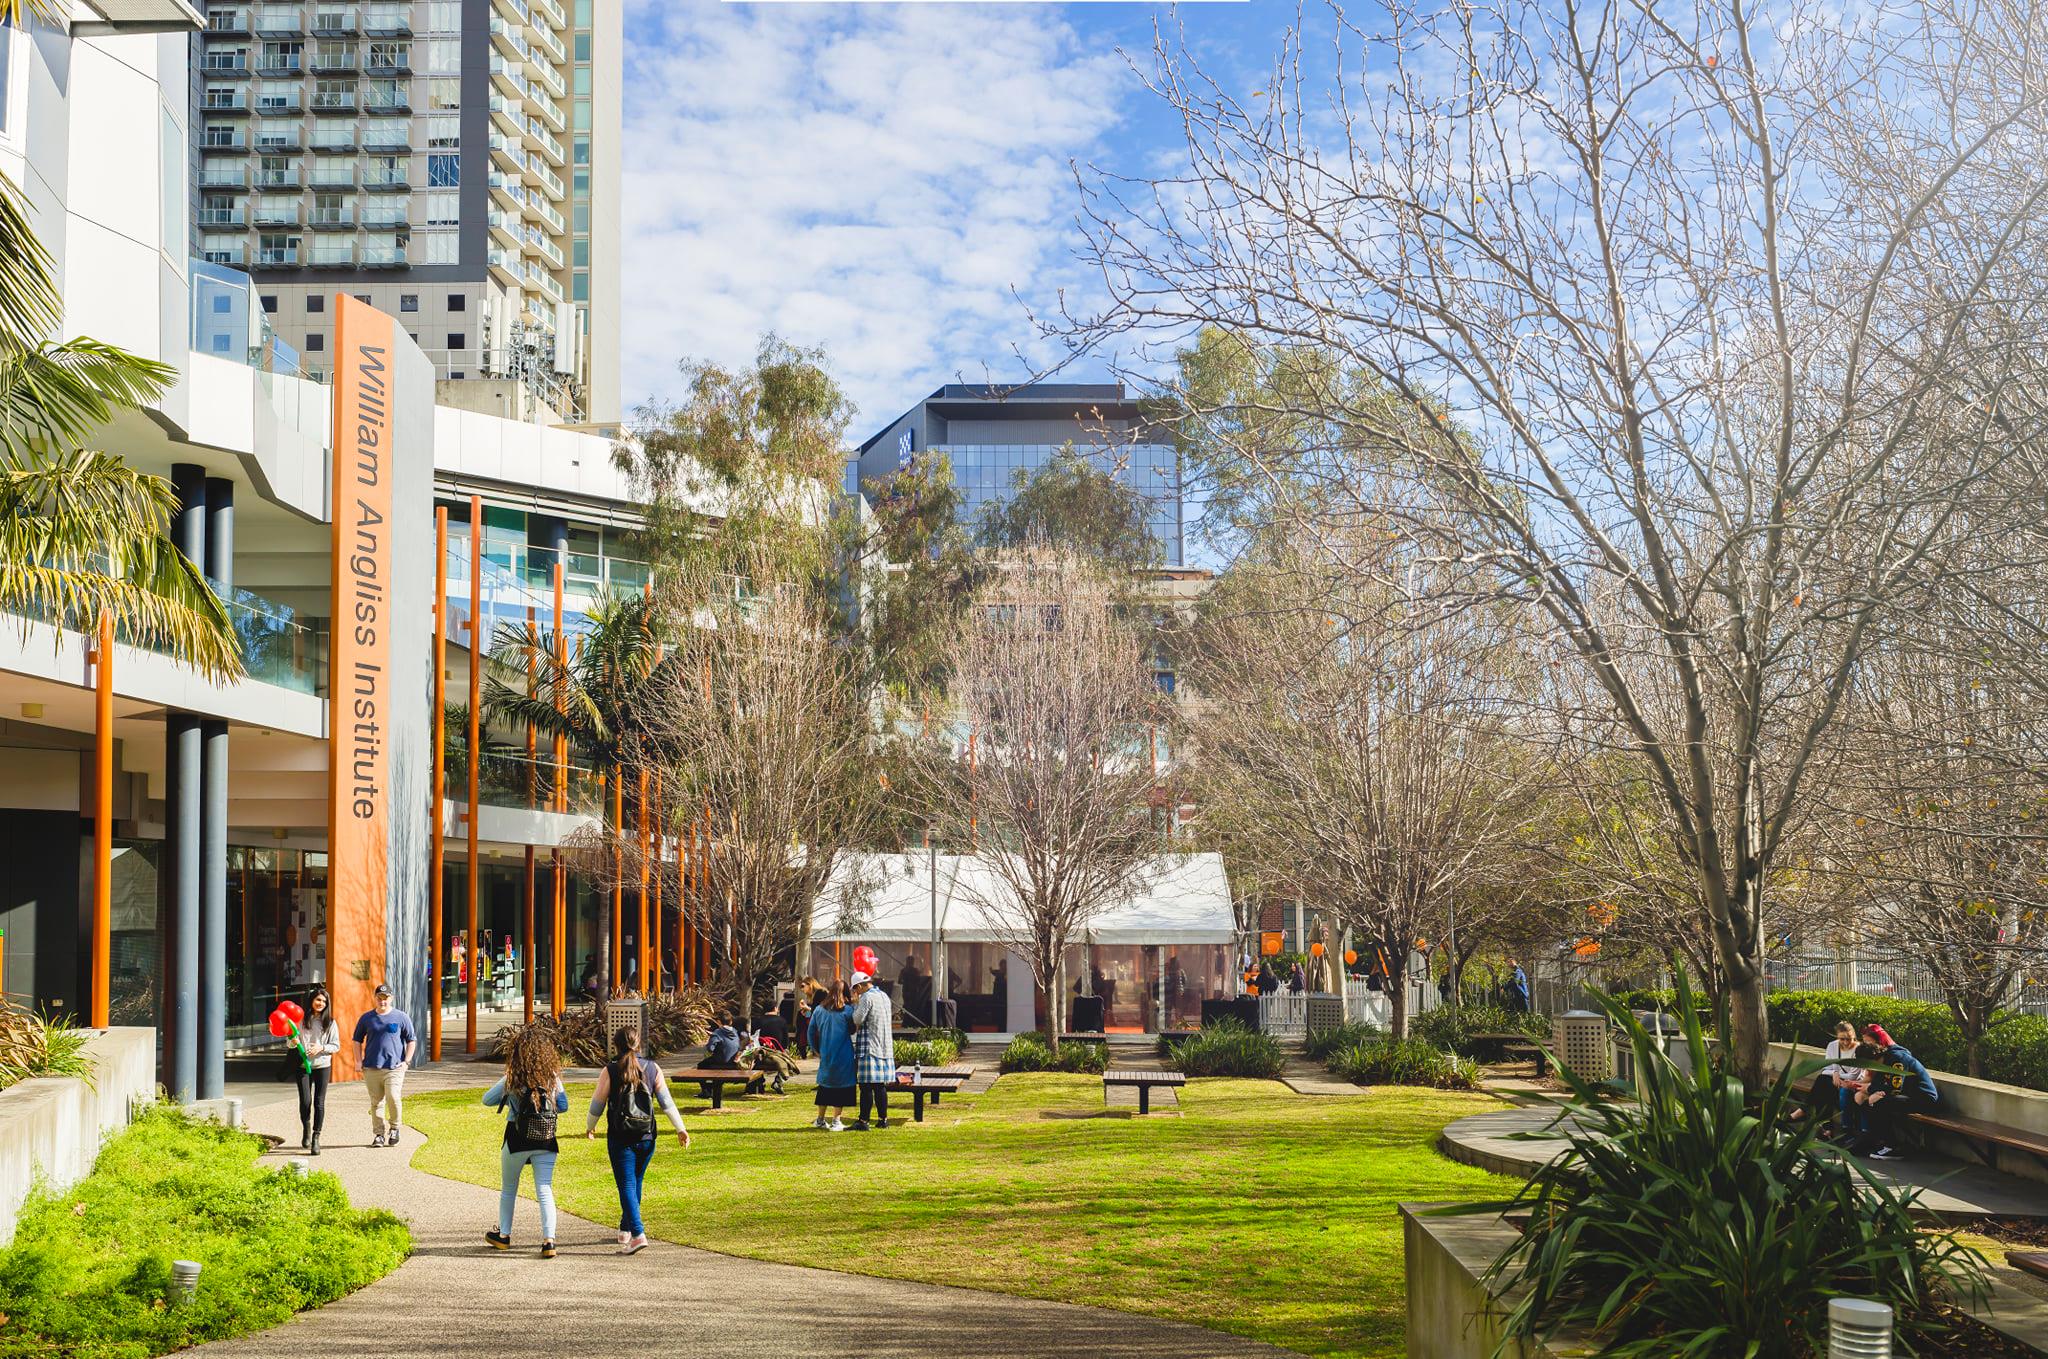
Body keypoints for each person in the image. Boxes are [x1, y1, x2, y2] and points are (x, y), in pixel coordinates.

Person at [585, 1025, 689, 1254]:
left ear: (616, 1044)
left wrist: (590, 1127)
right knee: (636, 1181)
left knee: (626, 1185)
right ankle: (626, 1229)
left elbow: (597, 1104)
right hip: (647, 1135)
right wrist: (680, 1128)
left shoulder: (611, 1070)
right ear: (638, 1043)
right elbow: (666, 1102)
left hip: (620, 1136)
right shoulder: (653, 1068)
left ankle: (638, 1233)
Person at [483, 1027, 569, 1258]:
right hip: (546, 1137)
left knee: (509, 1188)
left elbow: (486, 1100)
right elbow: (564, 1106)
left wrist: (511, 1098)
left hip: (517, 1137)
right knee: (544, 1188)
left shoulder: (512, 1078)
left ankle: (504, 1236)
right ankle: (548, 1240)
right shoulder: (552, 1078)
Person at [1858, 1026, 1939, 1159]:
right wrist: (1874, 1092)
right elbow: (1878, 1084)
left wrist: (1875, 1093)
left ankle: (1893, 1147)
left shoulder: (1897, 1059)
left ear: (1873, 1059)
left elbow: (1895, 1087)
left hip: (1923, 1099)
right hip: (1906, 1096)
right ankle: (1881, 1141)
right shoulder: (1882, 1062)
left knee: (1879, 1104)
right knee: (1869, 1104)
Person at [352, 983, 417, 1148]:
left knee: (393, 1097)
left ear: (391, 998)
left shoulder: (401, 1017)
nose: (382, 1001)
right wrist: (358, 1061)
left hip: (394, 1067)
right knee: (376, 1102)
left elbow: (412, 1040)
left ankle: (395, 1128)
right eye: (379, 998)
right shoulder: (367, 1018)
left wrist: (406, 1061)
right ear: (375, 998)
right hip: (372, 1067)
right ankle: (379, 1134)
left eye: (386, 998)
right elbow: (356, 1040)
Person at [294, 984, 342, 1155]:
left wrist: (321, 1048)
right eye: (318, 999)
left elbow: (336, 1045)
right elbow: (291, 1039)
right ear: (312, 1001)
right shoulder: (300, 1020)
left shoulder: (330, 1022)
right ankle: (306, 1128)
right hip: (302, 1066)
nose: (320, 1003)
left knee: (319, 1102)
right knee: (305, 1101)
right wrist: (291, 1043)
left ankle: (316, 1137)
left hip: (322, 1066)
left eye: (323, 1001)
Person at [848, 970, 896, 1131]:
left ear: (860, 985)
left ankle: (863, 1121)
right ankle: (883, 1120)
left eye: (855, 989)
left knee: (866, 1086)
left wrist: (855, 1003)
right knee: (880, 1086)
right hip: (884, 1047)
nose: (855, 992)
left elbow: (857, 1019)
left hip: (869, 1047)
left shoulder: (866, 997)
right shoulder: (883, 996)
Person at [808, 979, 856, 1131]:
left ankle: (820, 1119)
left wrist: (816, 1050)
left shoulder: (818, 1010)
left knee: (825, 1087)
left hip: (826, 1053)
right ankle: (836, 1120)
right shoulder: (847, 1011)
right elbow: (853, 1029)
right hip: (844, 1054)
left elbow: (810, 1032)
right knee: (841, 1088)